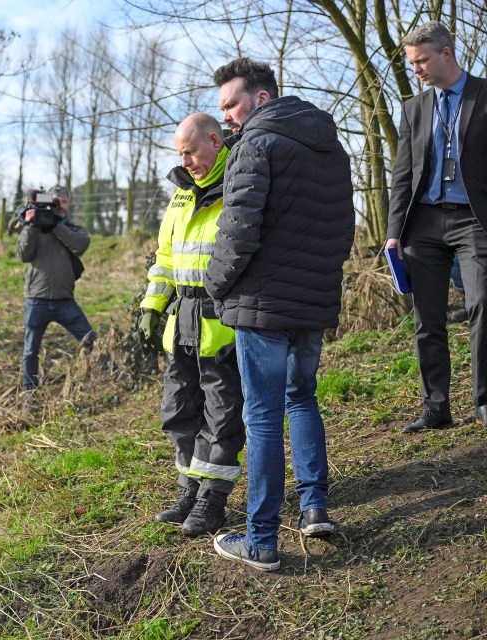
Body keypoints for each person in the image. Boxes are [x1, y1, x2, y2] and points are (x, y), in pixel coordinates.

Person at [205, 58, 355, 571]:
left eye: (231, 104)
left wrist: (214, 283)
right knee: (302, 398)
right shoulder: (331, 146)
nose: (225, 115)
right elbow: (343, 233)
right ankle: (314, 508)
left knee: (263, 414)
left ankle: (261, 540)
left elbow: (238, 230)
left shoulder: (257, 142)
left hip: (263, 303)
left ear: (261, 99)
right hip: (311, 300)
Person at [138, 113, 246, 537]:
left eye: (191, 151)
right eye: (179, 154)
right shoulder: (181, 194)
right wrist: (152, 304)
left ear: (216, 141)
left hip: (221, 323)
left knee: (221, 418)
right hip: (181, 321)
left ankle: (212, 502)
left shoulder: (237, 186)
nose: (185, 161)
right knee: (178, 411)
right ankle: (189, 489)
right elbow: (165, 257)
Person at [385, 21, 487, 432]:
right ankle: (436, 408)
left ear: (446, 54)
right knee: (427, 318)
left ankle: (484, 403)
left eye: (421, 61)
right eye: (412, 64)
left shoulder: (484, 95)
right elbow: (403, 174)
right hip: (423, 222)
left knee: (482, 305)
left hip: (474, 221)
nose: (417, 70)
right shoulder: (413, 108)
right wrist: (394, 232)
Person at [16, 185, 96, 391]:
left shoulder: (74, 229)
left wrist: (55, 225)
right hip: (36, 300)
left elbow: (80, 245)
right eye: (55, 201)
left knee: (90, 340)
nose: (59, 205)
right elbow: (23, 255)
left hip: (64, 301)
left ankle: (110, 375)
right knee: (30, 351)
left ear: (68, 205)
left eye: (64, 201)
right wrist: (31, 225)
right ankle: (29, 391)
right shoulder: (34, 229)